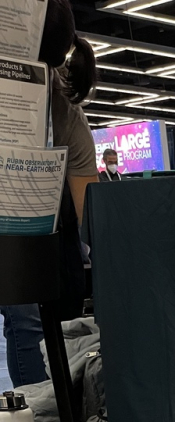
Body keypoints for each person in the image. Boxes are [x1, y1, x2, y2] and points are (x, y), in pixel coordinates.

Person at [0, 0, 98, 387]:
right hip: (29, 233)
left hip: (50, 233)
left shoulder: (64, 110)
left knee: (44, 321)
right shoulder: (67, 109)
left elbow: (88, 209)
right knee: (30, 322)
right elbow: (90, 208)